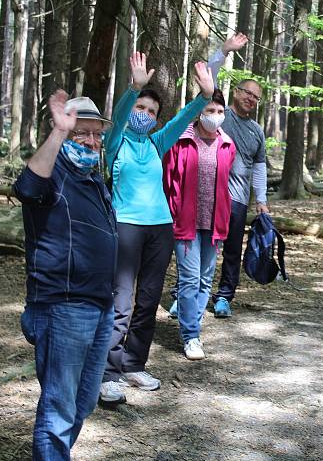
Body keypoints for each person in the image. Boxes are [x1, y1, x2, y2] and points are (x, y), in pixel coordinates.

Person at [99, 53, 216, 405]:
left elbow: (183, 119)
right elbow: (118, 117)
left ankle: (135, 364)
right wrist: (132, 89)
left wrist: (205, 98)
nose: (145, 115)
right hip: (126, 225)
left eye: (151, 112)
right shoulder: (114, 142)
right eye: (141, 107)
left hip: (160, 228)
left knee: (149, 301)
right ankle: (108, 373)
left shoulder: (155, 143)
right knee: (121, 301)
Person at [14, 91, 115, 461]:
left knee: (83, 402)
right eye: (81, 133)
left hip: (99, 305)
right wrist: (59, 133)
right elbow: (26, 187)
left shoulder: (93, 179)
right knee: (59, 408)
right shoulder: (53, 171)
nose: (91, 141)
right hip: (63, 305)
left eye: (96, 134)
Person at [162, 90, 236, 360]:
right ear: (198, 112)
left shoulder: (227, 144)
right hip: (185, 223)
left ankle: (192, 324)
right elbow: (168, 182)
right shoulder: (181, 140)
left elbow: (225, 184)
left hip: (214, 224)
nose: (215, 116)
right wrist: (172, 214)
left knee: (205, 280)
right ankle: (190, 335)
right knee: (190, 280)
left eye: (219, 111)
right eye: (209, 110)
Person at [205, 33, 269, 318]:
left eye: (256, 97)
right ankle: (187, 294)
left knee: (232, 250)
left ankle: (224, 297)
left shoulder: (257, 131)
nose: (251, 99)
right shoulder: (218, 115)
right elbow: (208, 78)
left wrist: (262, 199)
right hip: (208, 193)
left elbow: (259, 166)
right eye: (247, 93)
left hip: (238, 200)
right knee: (200, 246)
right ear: (236, 92)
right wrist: (224, 51)